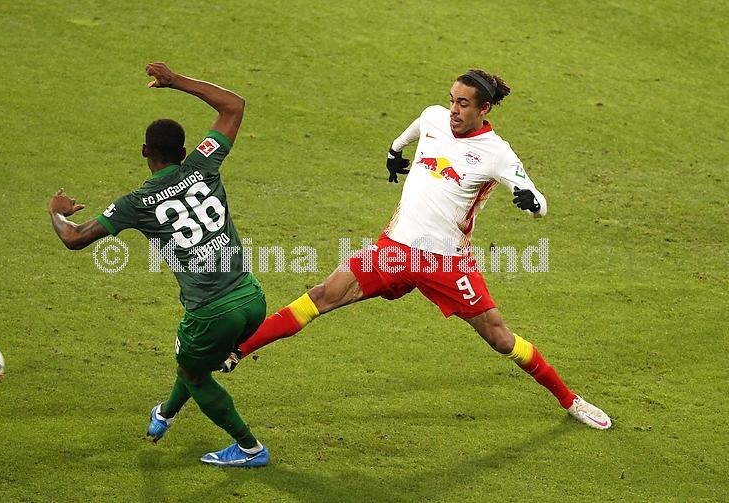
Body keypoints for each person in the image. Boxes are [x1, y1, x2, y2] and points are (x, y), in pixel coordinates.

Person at [222, 69, 612, 431]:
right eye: (452, 99)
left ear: (484, 109)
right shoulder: (433, 117)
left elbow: (538, 201)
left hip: (446, 263)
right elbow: (414, 129)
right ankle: (238, 350)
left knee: (500, 338)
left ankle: (570, 400)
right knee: (323, 294)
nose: (453, 109)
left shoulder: (497, 153)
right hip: (394, 250)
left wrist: (532, 203)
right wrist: (395, 151)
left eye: (463, 104)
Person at [48, 62, 270, 467]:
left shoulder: (135, 203)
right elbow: (234, 106)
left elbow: (74, 237)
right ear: (184, 153)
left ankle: (250, 448)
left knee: (194, 374)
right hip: (252, 297)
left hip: (210, 312)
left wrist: (56, 212)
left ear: (145, 151)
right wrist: (176, 81)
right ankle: (164, 415)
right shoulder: (203, 165)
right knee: (191, 363)